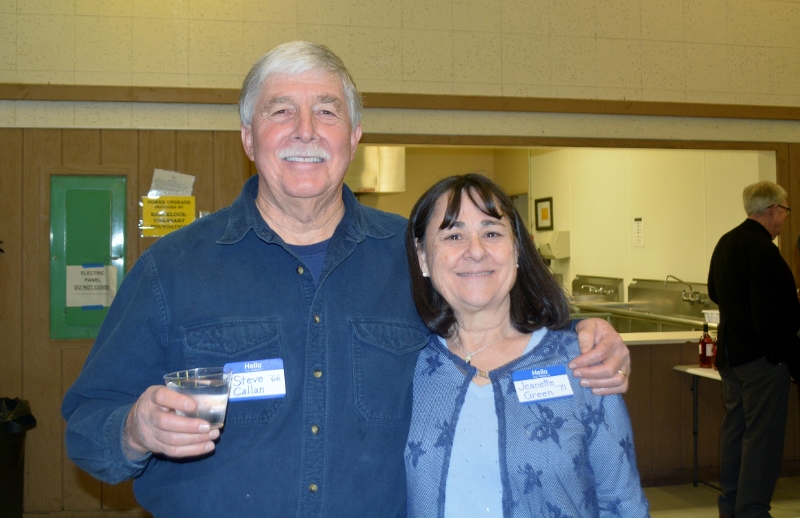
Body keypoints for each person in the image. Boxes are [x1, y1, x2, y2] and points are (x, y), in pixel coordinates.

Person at [62, 41, 631, 517]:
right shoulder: (173, 269)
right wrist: (135, 429)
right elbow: (86, 422)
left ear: (355, 137)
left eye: (327, 112)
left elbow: (494, 309)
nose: (306, 131)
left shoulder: (411, 256)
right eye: (281, 111)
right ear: (247, 136)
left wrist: (584, 336)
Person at [404, 174, 648, 517]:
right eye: (454, 235)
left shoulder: (583, 363)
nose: (475, 251)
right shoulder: (406, 367)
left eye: (492, 233)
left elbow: (622, 503)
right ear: (423, 258)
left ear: (517, 250)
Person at [708, 181, 800, 518]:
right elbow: (773, 315)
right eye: (785, 212)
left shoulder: (727, 242)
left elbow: (715, 291)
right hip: (762, 360)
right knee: (763, 440)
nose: (785, 220)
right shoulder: (763, 251)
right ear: (773, 209)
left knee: (736, 433)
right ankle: (753, 511)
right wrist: (784, 356)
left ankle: (730, 507)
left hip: (731, 357)